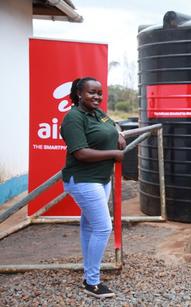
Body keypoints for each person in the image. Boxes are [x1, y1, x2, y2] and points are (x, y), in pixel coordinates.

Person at [61, 77, 126, 299]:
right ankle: (93, 282)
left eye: (99, 93)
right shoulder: (73, 118)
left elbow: (112, 124)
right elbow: (80, 152)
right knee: (103, 228)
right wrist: (114, 154)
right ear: (80, 93)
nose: (97, 97)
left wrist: (119, 134)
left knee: (90, 227)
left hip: (100, 179)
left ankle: (89, 277)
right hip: (82, 180)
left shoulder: (98, 113)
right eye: (91, 93)